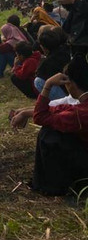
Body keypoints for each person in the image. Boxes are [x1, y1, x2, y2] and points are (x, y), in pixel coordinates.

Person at [30, 55, 88, 196]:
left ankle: (52, 186)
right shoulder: (80, 107)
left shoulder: (78, 114)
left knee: (48, 134)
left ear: (71, 83)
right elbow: (55, 109)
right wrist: (26, 112)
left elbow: (40, 116)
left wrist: (47, 85)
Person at [33, 27, 71, 100]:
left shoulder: (47, 63)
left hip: (67, 93)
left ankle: (63, 101)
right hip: (78, 88)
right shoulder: (67, 49)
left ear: (43, 47)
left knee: (38, 81)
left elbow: (39, 75)